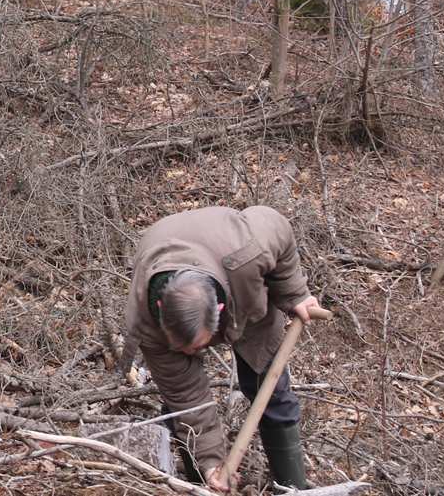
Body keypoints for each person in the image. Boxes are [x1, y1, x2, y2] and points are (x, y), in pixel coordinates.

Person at [125, 205, 328, 491]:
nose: (189, 354)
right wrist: (212, 462)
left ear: (219, 311)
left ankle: (292, 486)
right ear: (160, 308)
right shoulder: (147, 322)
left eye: (197, 345)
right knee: (180, 406)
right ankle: (203, 482)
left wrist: (295, 293)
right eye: (180, 347)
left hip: (243, 293)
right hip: (182, 260)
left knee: (272, 393)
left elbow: (278, 227)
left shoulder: (248, 250)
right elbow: (187, 395)